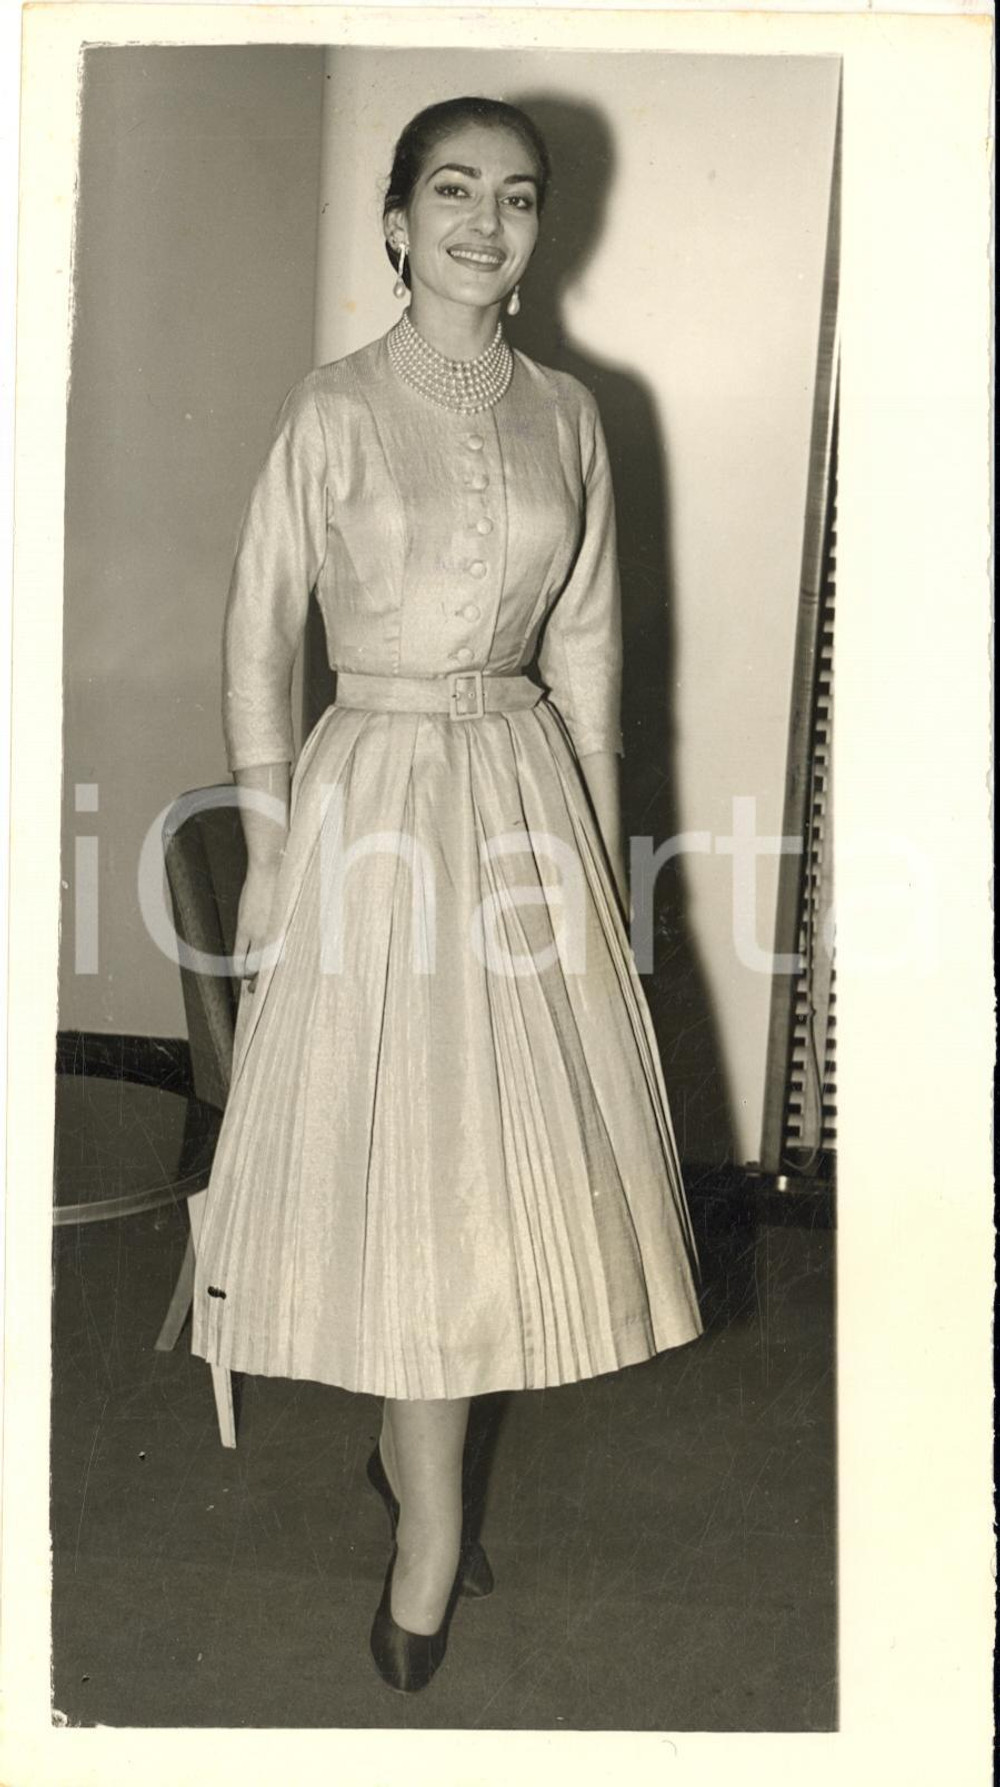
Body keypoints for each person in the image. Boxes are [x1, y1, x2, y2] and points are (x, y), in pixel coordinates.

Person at [191, 95, 703, 1694]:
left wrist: (607, 867)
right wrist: (274, 842)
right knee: (408, 1173)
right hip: (374, 808)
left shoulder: (572, 413)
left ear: (540, 234)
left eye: (520, 196)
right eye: (455, 192)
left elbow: (597, 652)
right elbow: (260, 622)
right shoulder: (334, 405)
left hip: (526, 802)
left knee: (498, 1176)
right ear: (399, 223)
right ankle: (425, 1522)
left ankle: (418, 1477)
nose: (489, 221)